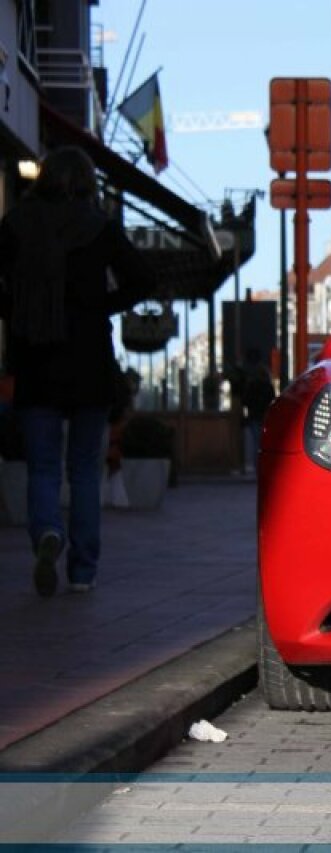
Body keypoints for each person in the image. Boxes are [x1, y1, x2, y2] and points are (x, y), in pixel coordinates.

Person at [0, 146, 156, 596]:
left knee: (43, 467)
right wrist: (98, 308)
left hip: (36, 359)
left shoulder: (16, 226)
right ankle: (83, 571)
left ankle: (48, 532)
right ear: (88, 184)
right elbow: (143, 278)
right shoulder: (99, 228)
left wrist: (16, 311)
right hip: (88, 361)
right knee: (85, 470)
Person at [237, 348, 276, 472]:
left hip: (254, 416)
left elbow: (245, 401)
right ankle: (263, 467)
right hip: (265, 416)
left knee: (256, 443)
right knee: (263, 443)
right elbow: (272, 400)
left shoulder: (251, 385)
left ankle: (256, 467)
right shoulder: (268, 386)